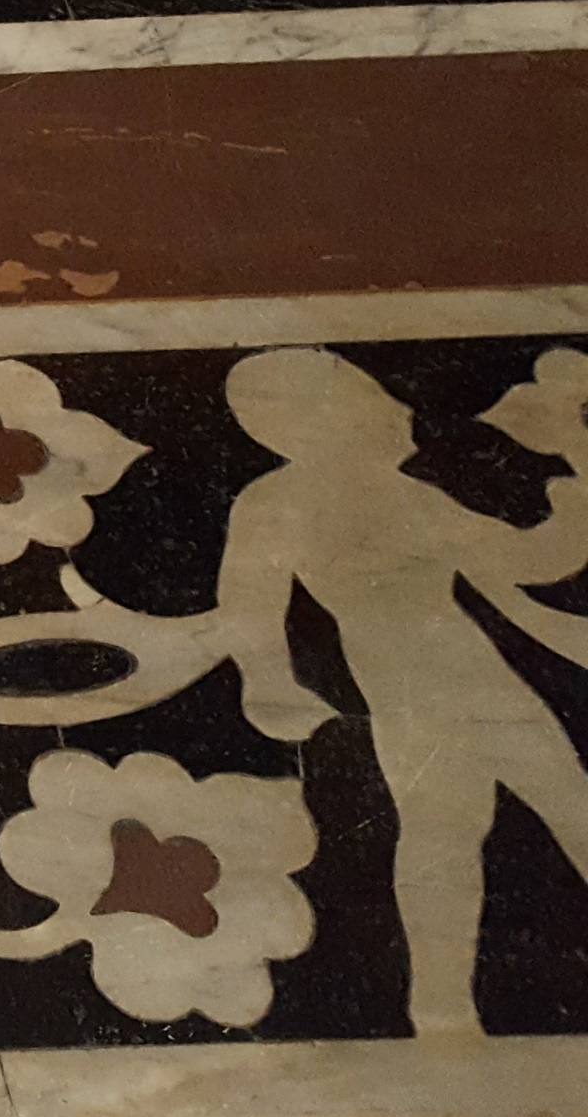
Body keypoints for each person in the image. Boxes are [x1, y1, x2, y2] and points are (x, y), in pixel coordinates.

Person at [219, 348, 588, 1036]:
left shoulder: (406, 496)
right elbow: (248, 604)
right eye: (371, 397)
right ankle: (441, 1006)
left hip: (473, 682)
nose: (400, 407)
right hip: (420, 693)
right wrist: (265, 680)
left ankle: (441, 1007)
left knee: (545, 812)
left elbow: (528, 559)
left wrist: (577, 504)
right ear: (320, 424)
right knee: (450, 834)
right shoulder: (279, 504)